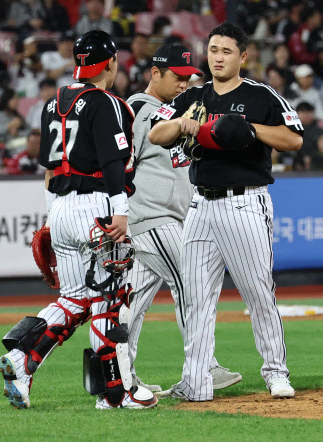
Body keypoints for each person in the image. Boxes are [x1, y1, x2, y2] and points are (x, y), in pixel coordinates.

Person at [0, 29, 157, 410]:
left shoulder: (52, 103)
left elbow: (51, 169)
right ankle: (116, 395)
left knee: (74, 298)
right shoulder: (108, 103)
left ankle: (22, 360)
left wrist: (53, 217)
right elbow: (113, 164)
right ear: (112, 63)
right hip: (98, 207)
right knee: (110, 299)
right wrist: (120, 211)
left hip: (62, 206)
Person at [149, 22, 303, 401]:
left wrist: (249, 128)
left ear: (243, 57)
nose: (218, 57)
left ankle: (276, 372)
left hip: (244, 201)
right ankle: (196, 382)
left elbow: (294, 139)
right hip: (200, 204)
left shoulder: (260, 96)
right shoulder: (195, 95)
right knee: (196, 298)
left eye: (226, 51)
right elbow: (156, 133)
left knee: (257, 293)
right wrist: (182, 122)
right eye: (213, 50)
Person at [126, 43, 242, 392]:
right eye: (177, 77)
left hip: (171, 219)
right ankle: (204, 367)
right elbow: (119, 166)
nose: (183, 84)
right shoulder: (136, 110)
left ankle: (119, 373)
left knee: (133, 301)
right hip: (150, 217)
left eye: (189, 78)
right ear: (155, 73)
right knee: (193, 284)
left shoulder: (181, 112)